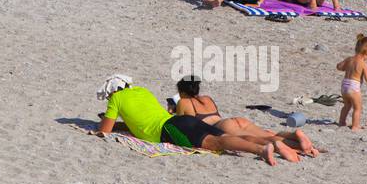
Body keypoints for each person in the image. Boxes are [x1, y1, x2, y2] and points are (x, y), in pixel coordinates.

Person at [94, 76, 295, 166]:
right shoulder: (141, 91)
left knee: (217, 143)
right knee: (225, 137)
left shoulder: (116, 99)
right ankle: (272, 142)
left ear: (112, 92)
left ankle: (261, 150)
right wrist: (122, 124)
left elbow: (105, 130)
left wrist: (103, 121)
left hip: (169, 130)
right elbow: (138, 120)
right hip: (181, 121)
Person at [173, 76, 319, 156]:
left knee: (261, 140)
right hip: (235, 120)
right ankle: (298, 139)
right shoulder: (207, 98)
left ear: (182, 92)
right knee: (268, 134)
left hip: (221, 126)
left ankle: (295, 144)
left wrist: (172, 112)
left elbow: (186, 124)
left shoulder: (184, 102)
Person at [336, 34, 367, 131]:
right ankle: (355, 126)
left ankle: (342, 122)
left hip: (344, 85)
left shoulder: (349, 59)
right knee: (357, 108)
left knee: (347, 105)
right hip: (354, 87)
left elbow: (339, 66)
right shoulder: (363, 63)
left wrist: (345, 67)